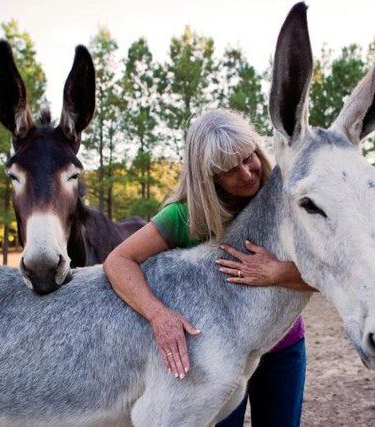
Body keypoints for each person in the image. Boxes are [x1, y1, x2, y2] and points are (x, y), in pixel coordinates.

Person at [104, 109, 316, 426]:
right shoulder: (184, 217)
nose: (246, 173)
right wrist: (159, 316)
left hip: (280, 349)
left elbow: (331, 271)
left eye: (248, 158)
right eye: (229, 170)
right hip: (216, 358)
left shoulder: (287, 201)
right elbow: (118, 261)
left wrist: (276, 272)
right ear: (208, 176)